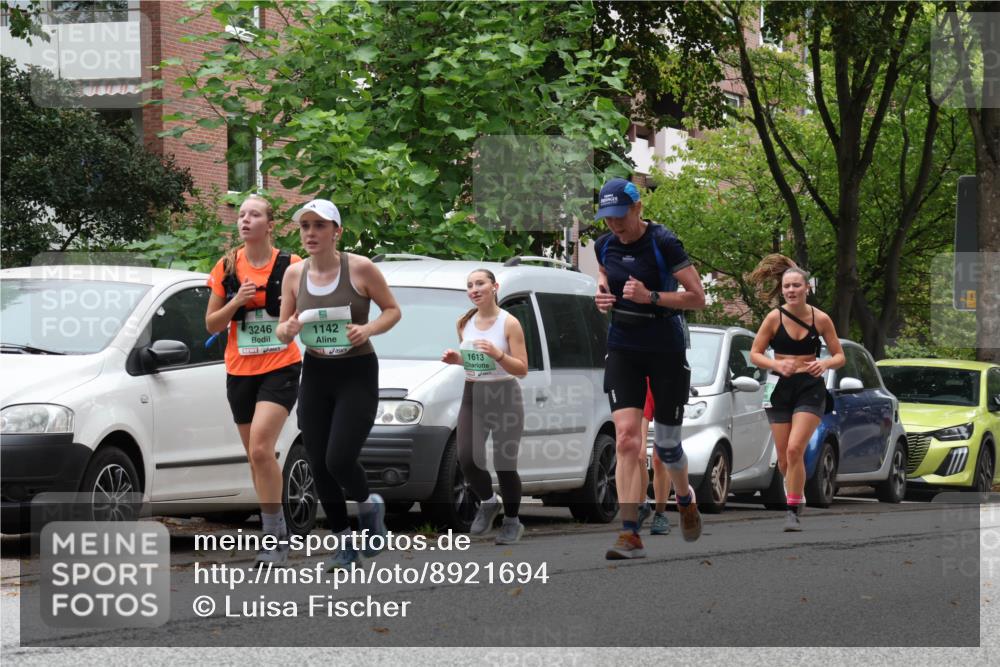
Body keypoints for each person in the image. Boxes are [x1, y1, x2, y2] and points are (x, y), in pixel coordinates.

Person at [276, 199, 401, 570]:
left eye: (319, 226)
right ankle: (344, 543)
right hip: (316, 371)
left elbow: (393, 310)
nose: (311, 233)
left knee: (339, 458)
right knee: (317, 463)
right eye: (305, 226)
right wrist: (290, 328)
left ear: (337, 231)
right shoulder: (294, 275)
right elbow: (282, 331)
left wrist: (367, 329)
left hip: (356, 372)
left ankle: (369, 508)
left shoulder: (360, 268)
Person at [593, 177, 707, 560]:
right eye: (607, 218)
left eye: (620, 216)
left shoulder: (663, 242)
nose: (614, 225)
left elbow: (698, 298)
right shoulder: (604, 244)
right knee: (627, 439)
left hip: (664, 346)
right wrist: (602, 294)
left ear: (638, 208)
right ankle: (629, 533)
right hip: (623, 345)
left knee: (668, 446)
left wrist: (651, 296)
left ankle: (685, 497)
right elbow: (605, 274)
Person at [205, 194, 302, 566]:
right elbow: (211, 324)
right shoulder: (227, 266)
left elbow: (305, 311)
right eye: (242, 214)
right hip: (239, 369)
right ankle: (274, 529)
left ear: (270, 224)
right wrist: (236, 301)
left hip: (280, 366)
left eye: (255, 214)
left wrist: (292, 323)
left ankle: (275, 536)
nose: (245, 220)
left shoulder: (290, 265)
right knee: (255, 456)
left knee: (262, 449)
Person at [748, 254, 845, 531]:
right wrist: (777, 364)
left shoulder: (821, 319)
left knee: (794, 448)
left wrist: (824, 363)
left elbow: (840, 356)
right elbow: (755, 354)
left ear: (807, 289)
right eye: (786, 286)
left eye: (796, 286)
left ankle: (792, 510)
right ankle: (794, 488)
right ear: (782, 290)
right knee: (783, 457)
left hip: (810, 388)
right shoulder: (773, 318)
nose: (791, 291)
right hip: (779, 387)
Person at [441, 269, 529, 544]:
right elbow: (474, 362)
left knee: (505, 464)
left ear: (494, 287)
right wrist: (457, 360)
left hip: (504, 395)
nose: (474, 289)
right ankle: (489, 501)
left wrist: (499, 354)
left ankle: (512, 521)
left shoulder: (509, 323)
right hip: (474, 392)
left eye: (480, 283)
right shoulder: (463, 322)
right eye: (469, 285)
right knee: (467, 457)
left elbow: (522, 368)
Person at [638, 381, 673, 535]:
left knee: (660, 458)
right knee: (638, 454)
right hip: (639, 379)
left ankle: (660, 513)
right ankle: (641, 505)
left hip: (664, 379)